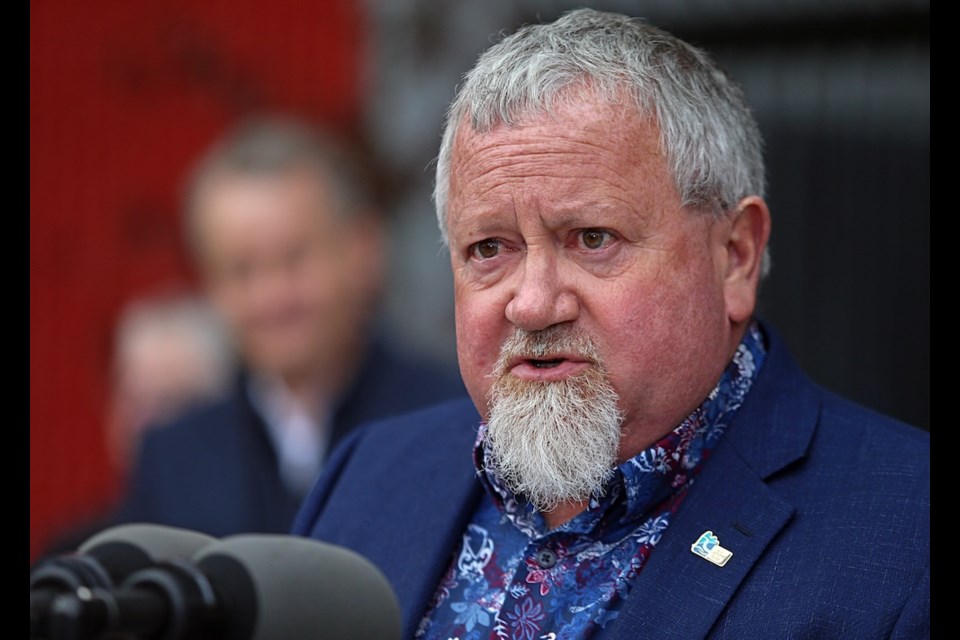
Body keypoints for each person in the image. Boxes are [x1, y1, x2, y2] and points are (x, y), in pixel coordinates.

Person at [292, 9, 929, 639]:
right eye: (489, 248)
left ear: (736, 255)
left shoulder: (905, 533)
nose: (534, 304)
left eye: (592, 238)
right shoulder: (370, 476)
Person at [106, 115, 467, 539]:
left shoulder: (450, 420)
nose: (272, 297)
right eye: (242, 271)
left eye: (294, 259)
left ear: (363, 250)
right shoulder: (174, 455)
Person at [42, 290, 235, 554]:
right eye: (132, 398)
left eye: (167, 402)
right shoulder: (77, 554)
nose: (142, 422)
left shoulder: (239, 554)